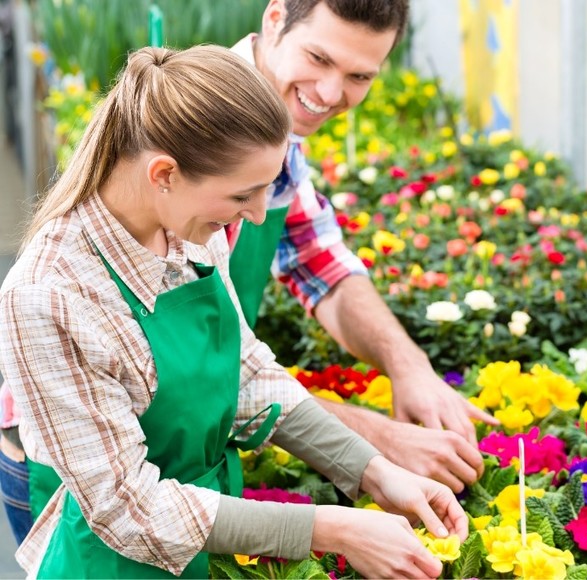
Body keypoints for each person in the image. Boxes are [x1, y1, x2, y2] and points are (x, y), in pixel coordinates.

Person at [0, 44, 466, 579]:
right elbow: (128, 508)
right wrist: (332, 529)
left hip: (215, 541)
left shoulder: (188, 231)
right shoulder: (48, 294)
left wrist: (374, 470)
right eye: (243, 194)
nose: (259, 213)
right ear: (164, 175)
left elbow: (249, 375)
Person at [224, 0, 496, 490]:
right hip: (83, 494)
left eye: (360, 76)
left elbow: (317, 262)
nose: (331, 93)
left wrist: (409, 367)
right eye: (319, 58)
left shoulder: (273, 135)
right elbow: (188, 371)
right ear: (274, 19)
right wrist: (375, 440)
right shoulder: (200, 131)